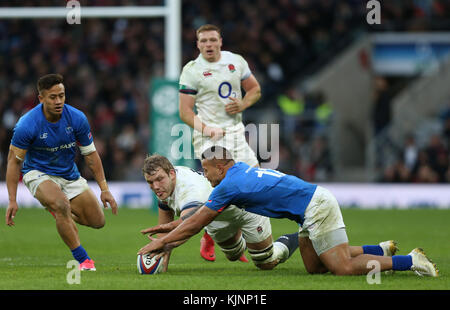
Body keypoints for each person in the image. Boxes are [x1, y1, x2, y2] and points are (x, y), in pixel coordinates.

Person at [138, 146, 439, 277]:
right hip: (306, 211)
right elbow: (192, 220)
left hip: (316, 205)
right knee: (315, 267)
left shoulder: (228, 185)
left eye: (208, 170)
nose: (206, 176)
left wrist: (160, 242)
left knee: (342, 267)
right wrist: (164, 231)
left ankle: (409, 261)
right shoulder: (239, 170)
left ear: (221, 166)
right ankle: (380, 248)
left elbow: (194, 223)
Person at [5, 74, 118, 271]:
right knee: (61, 204)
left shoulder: (77, 118)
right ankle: (84, 260)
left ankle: (60, 213)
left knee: (98, 221)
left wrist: (104, 189)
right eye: (53, 97)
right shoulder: (27, 124)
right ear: (41, 98)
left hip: (69, 174)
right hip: (37, 173)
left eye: (62, 96)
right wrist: (12, 200)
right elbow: (13, 163)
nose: (58, 101)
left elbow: (91, 155)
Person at [178, 24, 262, 261]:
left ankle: (230, 236)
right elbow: (185, 112)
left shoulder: (236, 61)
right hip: (207, 135)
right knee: (223, 186)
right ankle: (210, 235)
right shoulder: (192, 70)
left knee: (252, 184)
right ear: (197, 44)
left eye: (212, 40)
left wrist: (243, 104)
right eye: (203, 41)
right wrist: (206, 128)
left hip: (235, 133)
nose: (208, 45)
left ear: (220, 41)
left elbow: (255, 89)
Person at [139, 154, 299, 272]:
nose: (155, 186)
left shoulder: (190, 191)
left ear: (172, 174)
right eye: (150, 182)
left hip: (244, 209)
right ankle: (243, 238)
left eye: (159, 179)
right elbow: (165, 225)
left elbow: (188, 226)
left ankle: (299, 236)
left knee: (266, 262)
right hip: (214, 217)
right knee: (233, 255)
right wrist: (162, 258)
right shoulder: (167, 181)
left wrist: (165, 244)